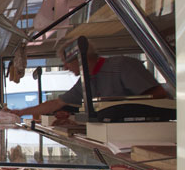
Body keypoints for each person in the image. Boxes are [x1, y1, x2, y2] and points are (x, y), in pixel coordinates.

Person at [10, 40, 168, 117]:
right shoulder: (85, 81)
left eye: (67, 63)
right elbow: (57, 103)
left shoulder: (123, 65)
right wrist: (20, 112)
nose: (66, 68)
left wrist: (117, 109)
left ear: (80, 58)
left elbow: (159, 94)